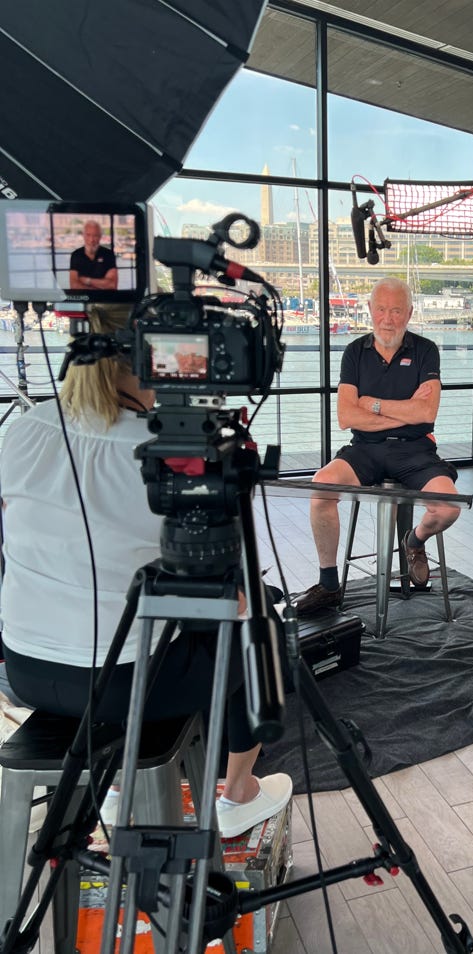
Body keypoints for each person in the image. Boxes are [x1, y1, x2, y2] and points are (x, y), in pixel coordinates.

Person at [0, 305, 291, 837]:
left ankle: (117, 785)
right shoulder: (167, 459)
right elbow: (232, 597)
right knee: (260, 622)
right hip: (128, 682)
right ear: (151, 354)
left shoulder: (22, 432)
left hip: (25, 668)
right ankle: (238, 791)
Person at [295, 277, 461, 613]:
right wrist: (405, 412)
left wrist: (371, 404)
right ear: (370, 310)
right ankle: (329, 584)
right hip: (365, 449)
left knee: (449, 508)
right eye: (381, 309)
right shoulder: (355, 352)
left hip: (415, 450)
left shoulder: (426, 350)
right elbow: (345, 417)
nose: (388, 319)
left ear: (409, 313)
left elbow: (427, 413)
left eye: (396, 311)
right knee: (321, 487)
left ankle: (414, 541)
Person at [68, 220, 118, 291]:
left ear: (100, 236)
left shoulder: (109, 255)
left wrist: (87, 281)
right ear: (83, 235)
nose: (91, 240)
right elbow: (74, 286)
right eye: (88, 235)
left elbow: (112, 285)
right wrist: (100, 286)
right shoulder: (76, 255)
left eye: (95, 236)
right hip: (84, 297)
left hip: (105, 297)